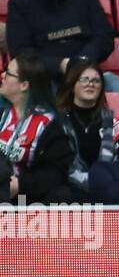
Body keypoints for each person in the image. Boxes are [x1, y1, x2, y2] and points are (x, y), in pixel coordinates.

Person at [1, 50, 80, 204]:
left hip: (28, 197)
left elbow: (55, 172)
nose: (2, 75)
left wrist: (20, 184)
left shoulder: (50, 124)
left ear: (24, 85)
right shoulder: (2, 115)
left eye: (8, 73)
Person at [56, 61, 115, 182]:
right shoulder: (59, 120)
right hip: (69, 186)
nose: (90, 84)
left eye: (96, 81)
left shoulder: (112, 121)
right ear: (73, 86)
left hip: (106, 185)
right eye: (84, 79)